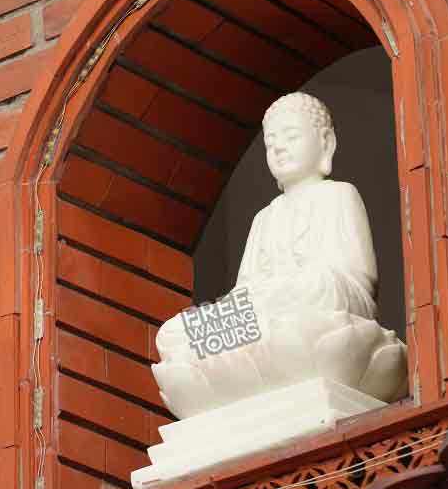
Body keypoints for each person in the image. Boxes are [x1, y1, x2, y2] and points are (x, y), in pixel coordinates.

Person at [152, 92, 408, 421]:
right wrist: (259, 298)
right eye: (271, 142)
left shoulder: (338, 196)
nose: (279, 148)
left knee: (313, 299)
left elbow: (356, 279)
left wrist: (290, 288)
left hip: (316, 307)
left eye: (291, 137)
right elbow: (245, 294)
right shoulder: (264, 217)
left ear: (325, 143)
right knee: (175, 334)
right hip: (270, 315)